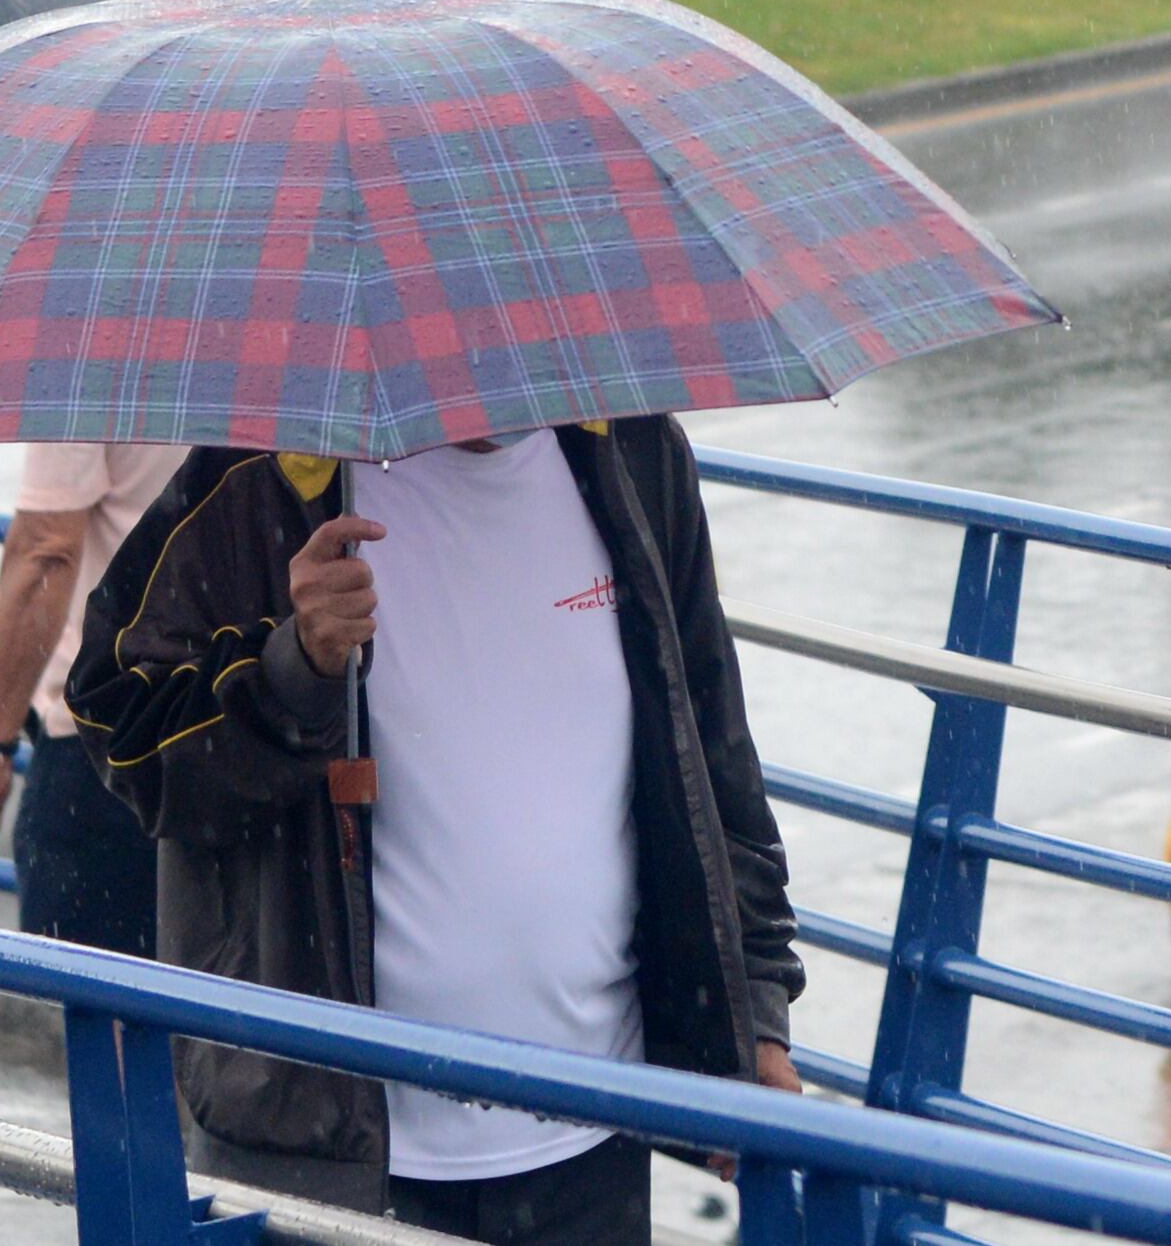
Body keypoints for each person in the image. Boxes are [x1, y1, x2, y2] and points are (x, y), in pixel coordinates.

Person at [66, 418, 805, 1240]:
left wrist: (756, 1012)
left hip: (593, 1122)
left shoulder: (632, 452)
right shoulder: (263, 479)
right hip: (330, 1143)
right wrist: (294, 667)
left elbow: (709, 749)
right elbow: (132, 750)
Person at [0, 443, 174, 955]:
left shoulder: (85, 365)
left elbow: (47, 549)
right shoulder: (299, 364)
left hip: (109, 734)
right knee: (222, 1007)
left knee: (101, 996)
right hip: (246, 724)